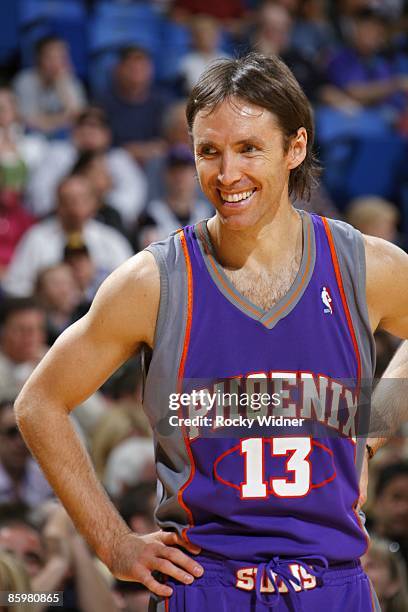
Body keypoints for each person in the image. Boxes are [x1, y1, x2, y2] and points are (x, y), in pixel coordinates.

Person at [13, 53, 408, 610]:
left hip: (333, 582)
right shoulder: (153, 281)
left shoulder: (363, 266)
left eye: (248, 149)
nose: (227, 175)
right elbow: (40, 404)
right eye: (209, 152)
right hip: (205, 583)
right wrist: (114, 544)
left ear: (295, 148)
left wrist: (374, 426)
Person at [2, 175, 133, 297]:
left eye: (81, 200)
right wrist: (44, 289)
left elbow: (130, 284)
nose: (74, 207)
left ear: (94, 204)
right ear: (57, 204)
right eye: (67, 200)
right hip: (48, 317)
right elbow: (14, 286)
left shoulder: (110, 240)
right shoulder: (37, 238)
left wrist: (96, 278)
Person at [13, 36, 86, 137]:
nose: (58, 63)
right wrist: (64, 119)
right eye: (52, 57)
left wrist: (62, 86)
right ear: (39, 59)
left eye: (62, 57)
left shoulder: (69, 81)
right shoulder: (25, 81)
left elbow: (80, 118)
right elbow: (28, 122)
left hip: (65, 140)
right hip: (32, 139)